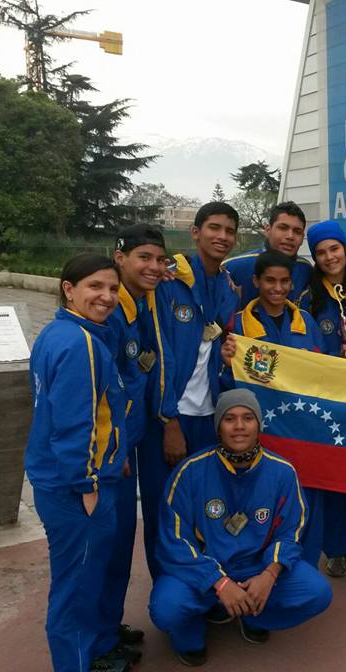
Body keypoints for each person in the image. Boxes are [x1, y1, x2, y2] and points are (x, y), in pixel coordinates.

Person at [148, 389, 332, 666]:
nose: (239, 426)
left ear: (258, 424)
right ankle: (193, 628)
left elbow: (291, 532)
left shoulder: (281, 471)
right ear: (218, 426)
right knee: (166, 609)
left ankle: (251, 612)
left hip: (255, 569)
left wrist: (269, 574)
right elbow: (174, 540)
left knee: (317, 593)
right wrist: (218, 582)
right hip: (204, 572)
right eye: (229, 418)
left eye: (247, 418)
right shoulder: (190, 472)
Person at [25, 254, 132, 672]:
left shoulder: (60, 333)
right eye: (94, 287)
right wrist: (88, 482)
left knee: (78, 588)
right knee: (73, 594)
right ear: (68, 289)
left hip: (65, 481)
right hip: (75, 490)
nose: (105, 297)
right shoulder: (79, 344)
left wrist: (114, 459)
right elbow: (75, 424)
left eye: (111, 288)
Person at [137, 202, 240, 580]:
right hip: (169, 419)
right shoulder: (169, 282)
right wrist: (169, 420)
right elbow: (160, 354)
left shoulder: (227, 287)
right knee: (164, 510)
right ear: (195, 233)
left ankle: (207, 588)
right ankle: (170, 595)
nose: (222, 237)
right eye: (213, 228)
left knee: (207, 508)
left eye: (229, 231)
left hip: (208, 418)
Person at [90, 225, 168, 672]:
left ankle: (107, 628)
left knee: (120, 543)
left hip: (129, 444)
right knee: (107, 545)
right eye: (143, 257)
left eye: (159, 259)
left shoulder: (139, 307)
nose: (153, 267)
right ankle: (96, 649)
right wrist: (110, 454)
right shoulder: (110, 314)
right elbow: (102, 391)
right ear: (119, 257)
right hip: (110, 456)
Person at [222, 249, 325, 567]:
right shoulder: (238, 324)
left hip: (302, 431)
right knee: (263, 501)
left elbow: (324, 374)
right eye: (270, 281)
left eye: (284, 281)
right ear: (256, 281)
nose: (278, 288)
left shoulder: (306, 322)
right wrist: (226, 362)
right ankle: (257, 566)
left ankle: (302, 567)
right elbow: (225, 384)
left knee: (308, 500)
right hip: (259, 434)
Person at [297, 220, 346, 578]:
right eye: (321, 252)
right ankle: (334, 548)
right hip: (324, 399)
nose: (329, 257)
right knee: (327, 479)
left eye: (334, 249)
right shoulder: (309, 297)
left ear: (345, 249)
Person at [221, 201, 312, 308]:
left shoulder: (306, 269)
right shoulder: (234, 267)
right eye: (283, 228)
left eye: (297, 231)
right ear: (268, 230)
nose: (290, 236)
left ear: (302, 238)